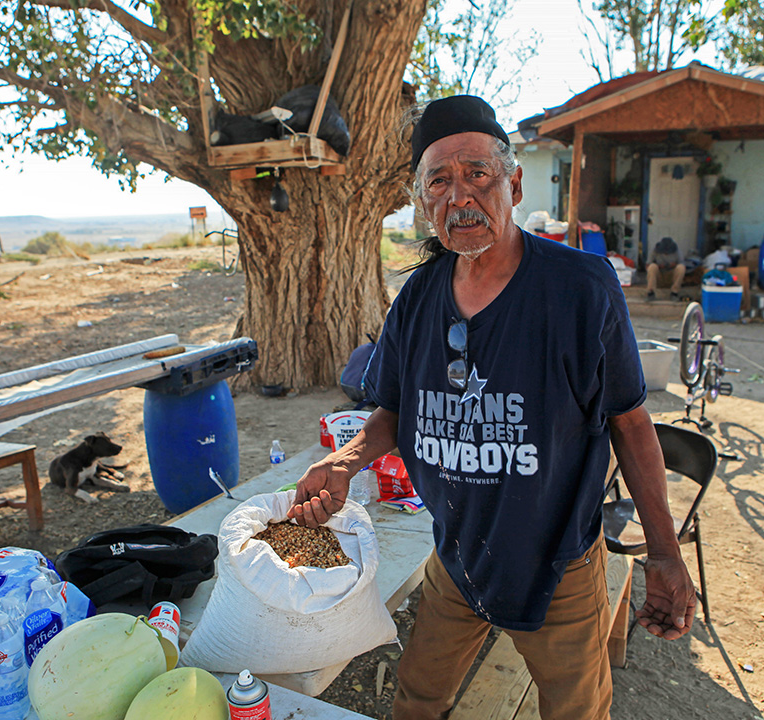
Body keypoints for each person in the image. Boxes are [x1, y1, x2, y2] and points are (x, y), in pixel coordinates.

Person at [287, 95, 695, 720]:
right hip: (456, 561)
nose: (460, 196)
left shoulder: (581, 289)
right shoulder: (419, 297)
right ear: (423, 203)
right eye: (439, 182)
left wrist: (664, 551)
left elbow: (631, 422)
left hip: (556, 564)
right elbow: (392, 412)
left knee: (576, 713)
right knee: (417, 700)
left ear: (513, 181)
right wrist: (344, 463)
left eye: (477, 174)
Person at [646, 236, 686, 300]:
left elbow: (682, 264)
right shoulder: (654, 250)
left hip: (671, 276)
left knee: (681, 267)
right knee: (652, 266)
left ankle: (674, 292)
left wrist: (674, 265)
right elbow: (647, 265)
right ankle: (651, 292)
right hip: (659, 277)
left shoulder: (677, 251)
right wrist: (658, 266)